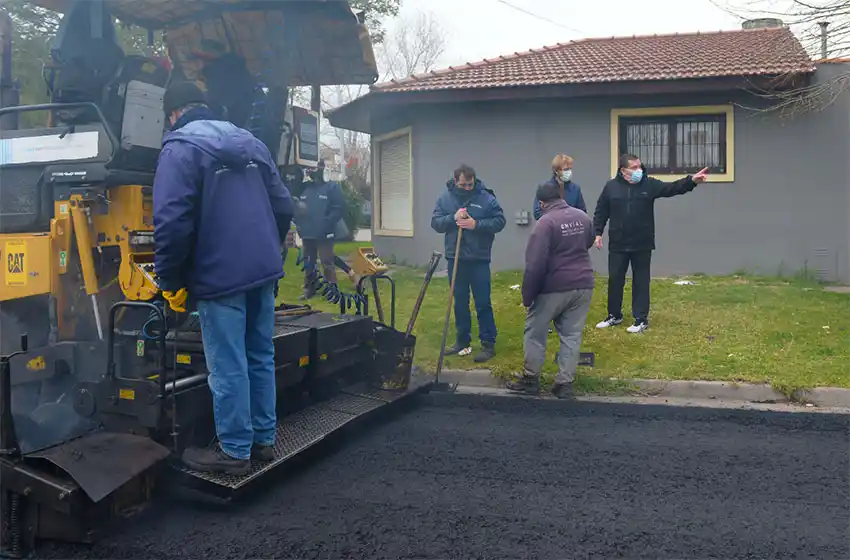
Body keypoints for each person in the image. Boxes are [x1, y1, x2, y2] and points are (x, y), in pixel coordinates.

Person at [153, 81, 294, 475]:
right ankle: (263, 441)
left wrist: (169, 281)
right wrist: (270, 247)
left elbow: (171, 223)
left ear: (174, 114)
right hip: (262, 270)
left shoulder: (179, 149)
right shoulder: (252, 143)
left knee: (228, 363)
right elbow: (283, 205)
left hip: (219, 276)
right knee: (259, 355)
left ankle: (234, 452)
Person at [592, 154, 709, 333]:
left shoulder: (649, 184)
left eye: (640, 166)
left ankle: (640, 319)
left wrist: (691, 181)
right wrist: (597, 233)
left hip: (642, 243)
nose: (639, 170)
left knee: (641, 281)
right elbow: (601, 211)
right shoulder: (611, 187)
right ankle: (614, 315)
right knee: (615, 279)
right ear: (623, 170)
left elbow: (671, 188)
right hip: (618, 243)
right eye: (634, 167)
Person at [507, 182, 595, 398]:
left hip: (554, 286)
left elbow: (535, 264)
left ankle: (530, 379)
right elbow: (588, 241)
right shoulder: (582, 217)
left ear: (541, 203)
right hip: (583, 283)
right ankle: (564, 384)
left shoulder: (545, 223)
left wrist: (528, 296)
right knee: (571, 335)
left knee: (535, 332)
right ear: (561, 196)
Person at [431, 164, 506, 363]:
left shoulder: (486, 198)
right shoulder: (445, 198)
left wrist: (476, 224)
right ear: (455, 181)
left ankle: (488, 343)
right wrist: (452, 218)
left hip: (479, 258)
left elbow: (499, 221)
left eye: (470, 184)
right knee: (460, 301)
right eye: (463, 185)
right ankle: (462, 341)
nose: (467, 188)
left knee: (482, 302)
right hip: (455, 257)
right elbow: (436, 223)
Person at [293, 160, 345, 299]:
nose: (312, 171)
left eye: (315, 168)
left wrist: (326, 224)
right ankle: (309, 289)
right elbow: (296, 207)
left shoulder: (332, 188)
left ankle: (332, 290)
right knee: (309, 261)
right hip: (307, 232)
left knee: (326, 261)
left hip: (325, 233)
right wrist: (299, 225)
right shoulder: (305, 187)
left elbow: (338, 209)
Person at [533, 153, 587, 220]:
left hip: (571, 225)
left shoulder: (575, 189)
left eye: (570, 169)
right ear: (556, 171)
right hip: (551, 224)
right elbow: (537, 213)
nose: (569, 172)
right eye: (566, 169)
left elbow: (582, 212)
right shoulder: (544, 188)